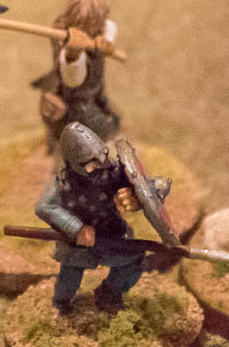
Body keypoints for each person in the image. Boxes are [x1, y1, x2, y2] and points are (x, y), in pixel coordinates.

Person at [34, 123, 169, 314]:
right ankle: (61, 304)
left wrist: (143, 195)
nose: (101, 164)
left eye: (103, 156)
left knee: (133, 261)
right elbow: (45, 206)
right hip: (78, 244)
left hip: (111, 234)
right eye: (91, 163)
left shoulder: (111, 171)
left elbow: (149, 184)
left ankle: (109, 293)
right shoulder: (63, 182)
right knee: (69, 279)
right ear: (75, 163)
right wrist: (76, 228)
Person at [31, 0, 121, 154]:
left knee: (110, 120)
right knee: (88, 129)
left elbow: (110, 26)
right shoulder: (61, 34)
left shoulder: (101, 27)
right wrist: (73, 55)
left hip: (94, 93)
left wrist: (107, 41)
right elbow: (72, 80)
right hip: (72, 100)